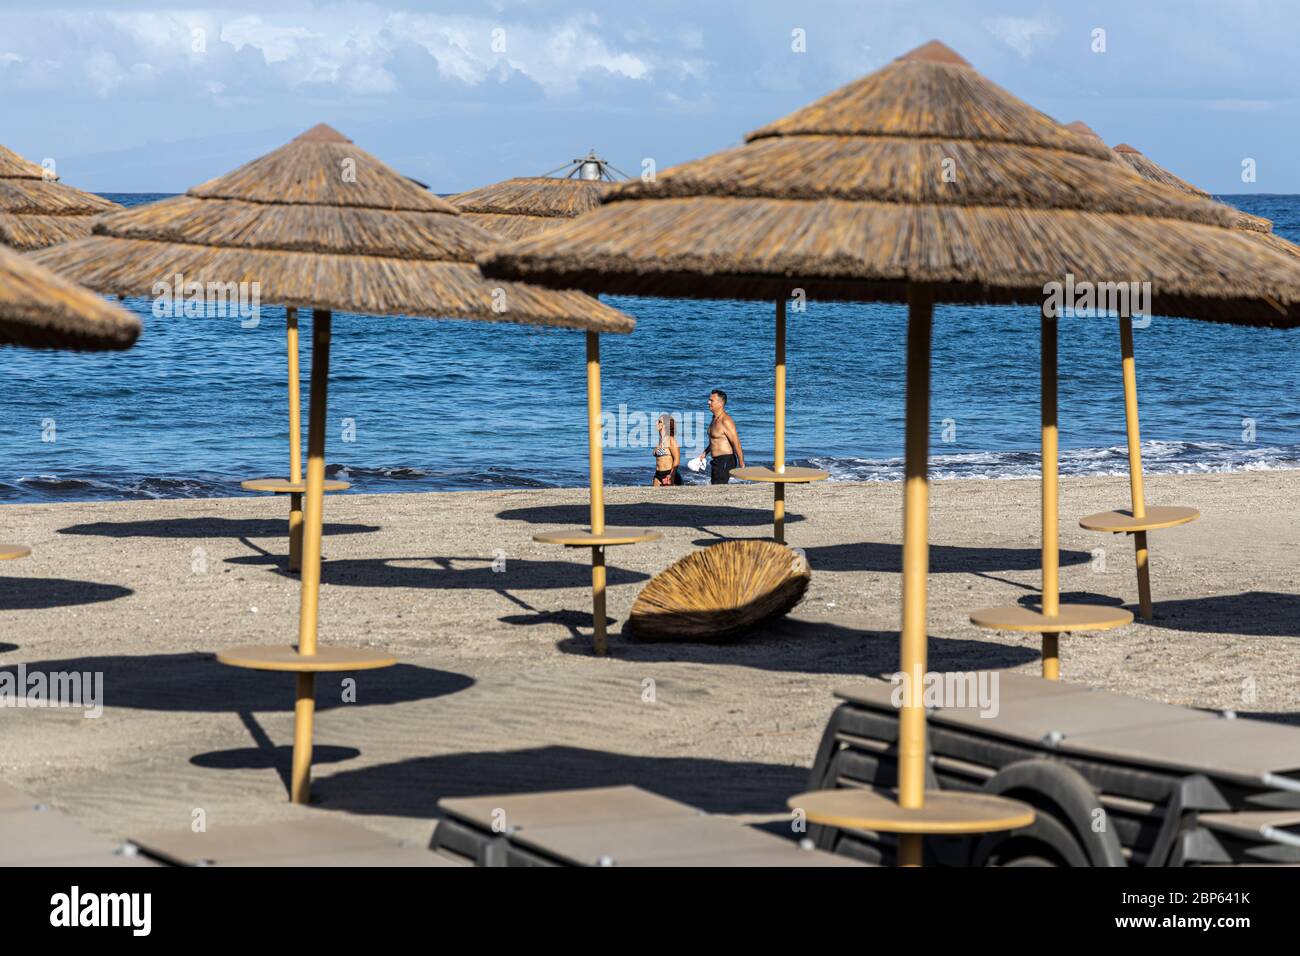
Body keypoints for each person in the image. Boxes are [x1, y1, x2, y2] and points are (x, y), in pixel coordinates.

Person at [694, 389, 744, 484]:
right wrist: (704, 453)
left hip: (725, 459)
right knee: (715, 484)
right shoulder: (714, 418)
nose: (708, 402)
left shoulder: (726, 421)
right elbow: (714, 440)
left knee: (719, 487)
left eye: (711, 400)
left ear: (720, 403)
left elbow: (736, 442)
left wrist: (742, 464)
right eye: (709, 400)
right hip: (717, 460)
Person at [652, 414, 681, 486]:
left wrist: (671, 475)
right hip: (657, 474)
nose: (656, 423)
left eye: (659, 421)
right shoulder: (660, 441)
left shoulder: (671, 440)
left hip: (668, 474)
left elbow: (677, 460)